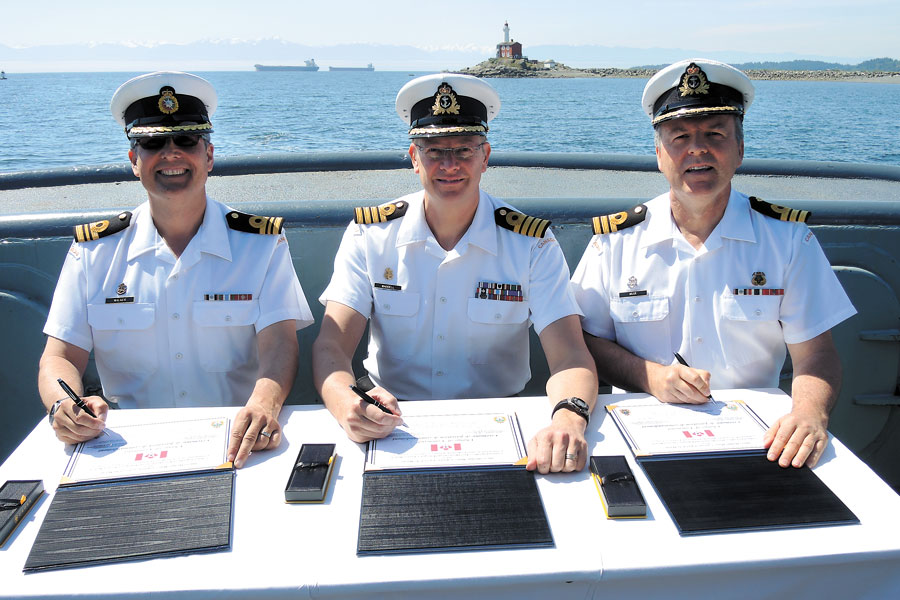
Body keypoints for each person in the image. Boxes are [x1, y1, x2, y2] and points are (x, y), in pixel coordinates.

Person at [571, 59, 856, 468]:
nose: (697, 149)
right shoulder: (615, 242)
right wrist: (649, 377)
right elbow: (584, 343)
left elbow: (816, 355)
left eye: (715, 134)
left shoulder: (788, 241)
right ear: (659, 154)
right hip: (641, 434)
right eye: (680, 136)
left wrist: (809, 414)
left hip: (761, 440)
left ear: (740, 149)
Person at [312, 74, 598, 473]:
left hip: (500, 425)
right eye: (434, 151)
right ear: (414, 158)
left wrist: (568, 419)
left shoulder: (531, 243)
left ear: (486, 157)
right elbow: (332, 347)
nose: (450, 165)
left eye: (464, 150)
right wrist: (346, 404)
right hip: (392, 426)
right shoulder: (370, 235)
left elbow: (569, 355)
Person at [38, 71, 313, 467]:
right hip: (124, 442)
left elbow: (280, 345)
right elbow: (58, 356)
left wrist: (264, 404)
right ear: (134, 161)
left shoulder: (261, 245)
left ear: (209, 156)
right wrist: (64, 404)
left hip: (236, 439)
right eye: (152, 143)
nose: (171, 154)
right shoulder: (94, 252)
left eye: (186, 140)